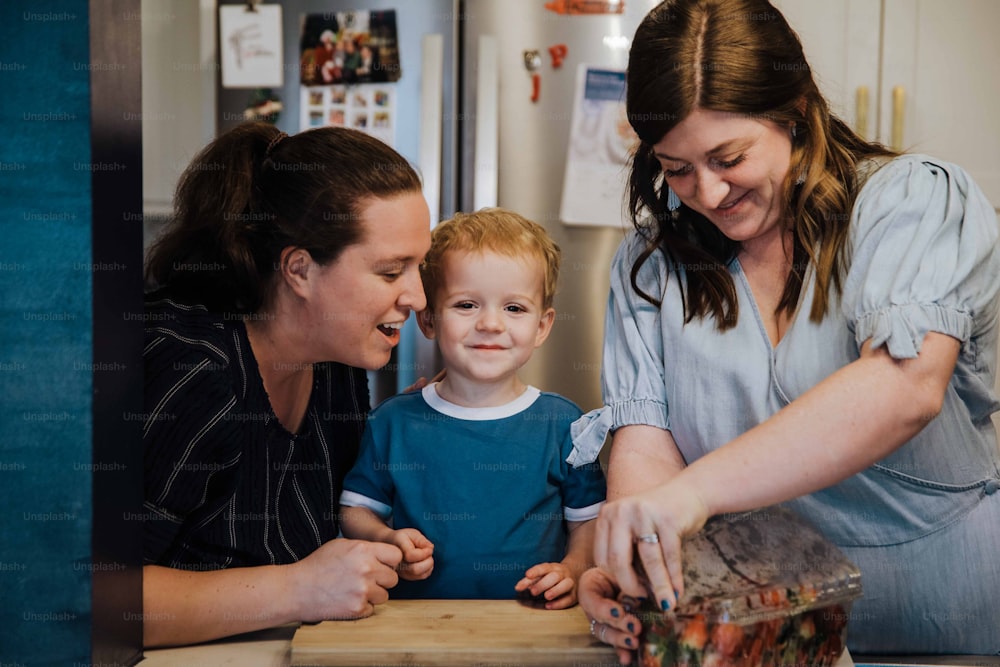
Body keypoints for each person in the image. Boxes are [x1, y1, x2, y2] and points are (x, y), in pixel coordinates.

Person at [571, 0, 1000, 660]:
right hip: (759, 640)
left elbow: (905, 387)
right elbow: (645, 440)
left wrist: (694, 491)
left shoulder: (910, 202)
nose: (707, 193)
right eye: (677, 168)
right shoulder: (650, 264)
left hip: (957, 625)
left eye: (728, 156)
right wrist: (639, 562)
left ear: (796, 111)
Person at [141, 121, 432, 647]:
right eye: (391, 272)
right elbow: (88, 596)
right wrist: (298, 588)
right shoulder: (192, 373)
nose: (417, 296)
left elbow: (330, 534)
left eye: (420, 266)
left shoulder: (336, 365)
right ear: (299, 269)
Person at [339, 209, 607, 607]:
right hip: (416, 628)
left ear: (542, 326)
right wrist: (387, 539)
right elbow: (355, 513)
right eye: (466, 305)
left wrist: (572, 568)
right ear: (429, 319)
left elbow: (588, 522)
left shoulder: (563, 423)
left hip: (532, 625)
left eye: (514, 308)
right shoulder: (393, 422)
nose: (491, 324)